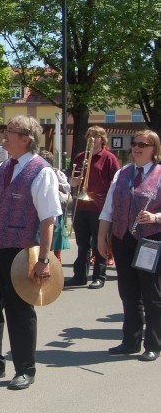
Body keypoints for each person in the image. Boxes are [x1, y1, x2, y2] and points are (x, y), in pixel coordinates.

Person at [0, 115, 61, 391]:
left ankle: (25, 369)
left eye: (11, 132)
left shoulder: (42, 171)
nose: (5, 135)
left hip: (21, 252)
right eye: (6, 130)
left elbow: (48, 220)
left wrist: (44, 260)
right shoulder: (0, 170)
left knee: (20, 311)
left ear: (26, 139)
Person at [98, 130, 161, 362]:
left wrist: (155, 218)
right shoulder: (122, 173)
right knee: (128, 292)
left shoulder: (160, 172)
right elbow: (108, 208)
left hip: (150, 239)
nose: (137, 147)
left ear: (154, 148)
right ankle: (130, 341)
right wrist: (102, 237)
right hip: (123, 238)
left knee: (152, 294)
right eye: (134, 144)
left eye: (143, 144)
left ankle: (153, 343)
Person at [66, 126, 119, 289]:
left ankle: (99, 276)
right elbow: (71, 177)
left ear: (102, 139)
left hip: (99, 206)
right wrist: (73, 181)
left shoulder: (109, 157)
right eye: (90, 135)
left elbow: (117, 181)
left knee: (99, 243)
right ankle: (80, 276)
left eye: (96, 136)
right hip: (81, 205)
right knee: (82, 244)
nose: (92, 138)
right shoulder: (80, 157)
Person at [39, 150, 71, 261]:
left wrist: (55, 184)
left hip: (54, 206)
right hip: (40, 205)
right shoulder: (36, 171)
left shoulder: (56, 172)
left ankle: (57, 257)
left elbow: (67, 187)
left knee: (57, 233)